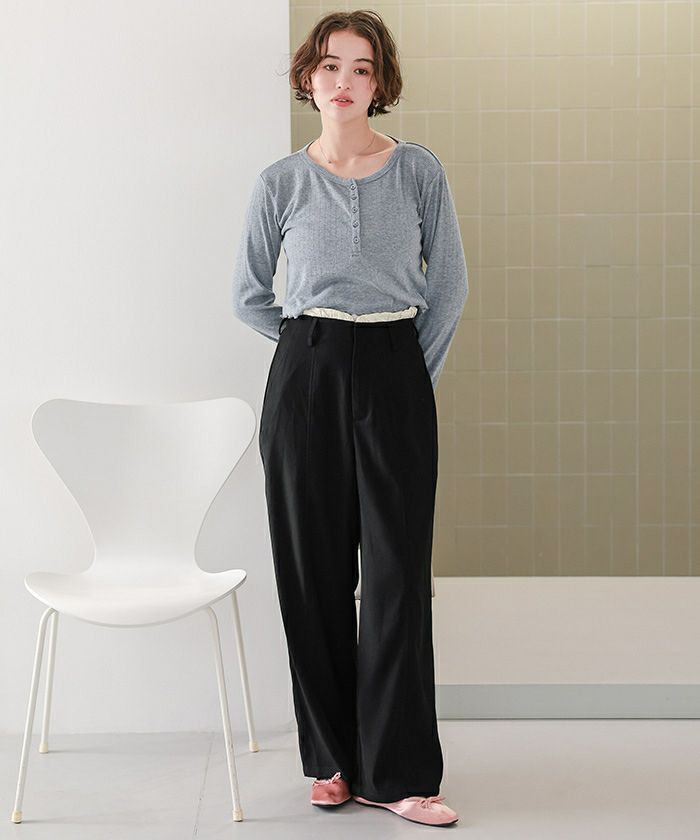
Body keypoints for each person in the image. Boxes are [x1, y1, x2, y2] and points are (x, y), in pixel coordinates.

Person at [231, 9, 467, 829]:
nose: (344, 81)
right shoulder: (280, 183)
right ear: (309, 78)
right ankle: (330, 760)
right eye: (330, 65)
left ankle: (399, 772)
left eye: (361, 68)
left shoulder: (418, 171)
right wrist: (312, 352)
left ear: (380, 83)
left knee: (397, 575)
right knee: (313, 570)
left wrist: (402, 375)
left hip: (397, 366)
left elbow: (448, 288)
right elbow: (248, 294)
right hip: (306, 372)